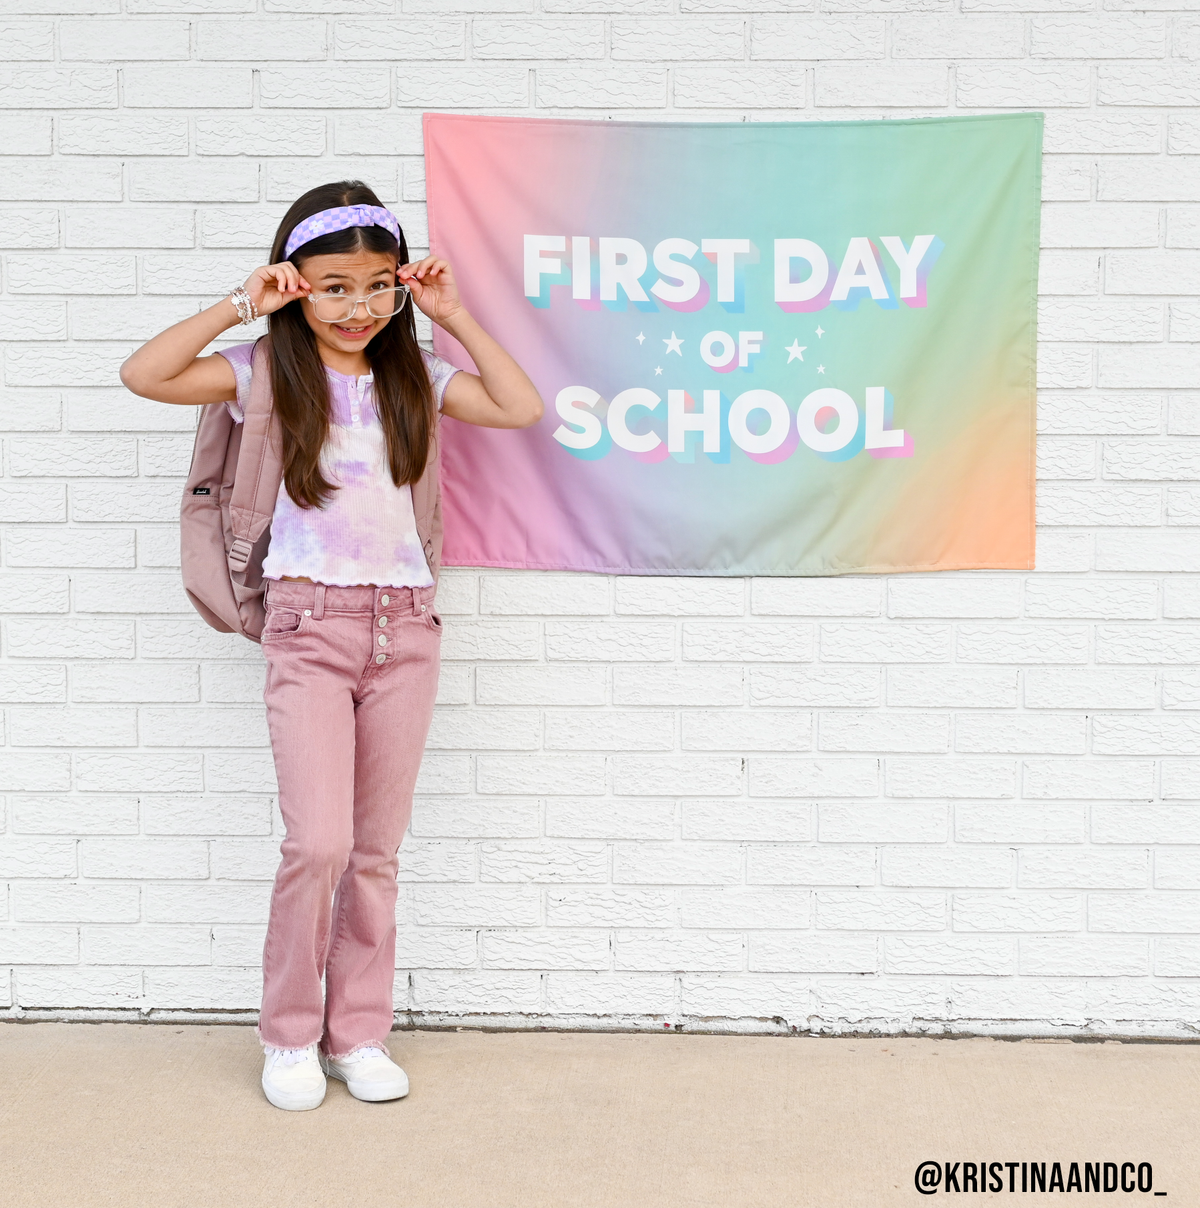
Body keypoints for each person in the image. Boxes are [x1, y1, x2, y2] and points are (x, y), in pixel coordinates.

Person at [120, 180, 543, 1111]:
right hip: (309, 627)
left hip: (408, 628)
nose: (359, 306)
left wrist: (454, 315)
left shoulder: (414, 378)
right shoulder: (263, 373)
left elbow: (518, 407)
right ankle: (288, 1036)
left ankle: (358, 1033)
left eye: (378, 284)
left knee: (375, 852)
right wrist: (241, 305)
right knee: (317, 844)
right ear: (296, 283)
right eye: (335, 285)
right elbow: (144, 374)